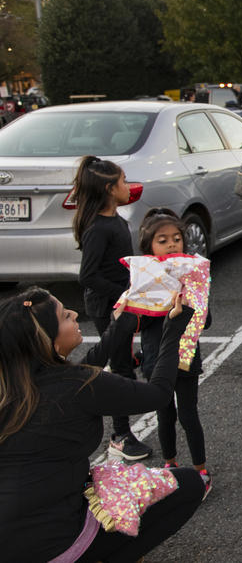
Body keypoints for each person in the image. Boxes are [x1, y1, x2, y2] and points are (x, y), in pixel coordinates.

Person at [0, 286, 202, 563]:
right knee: (189, 484)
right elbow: (158, 394)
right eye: (64, 316)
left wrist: (118, 329)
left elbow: (74, 378)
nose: (73, 314)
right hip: (52, 541)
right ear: (47, 341)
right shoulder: (77, 386)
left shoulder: (12, 387)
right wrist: (173, 329)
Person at [71, 155, 151, 461]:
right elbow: (88, 276)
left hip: (121, 302)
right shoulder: (98, 228)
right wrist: (122, 295)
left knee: (124, 362)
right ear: (108, 188)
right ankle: (120, 436)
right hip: (108, 306)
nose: (127, 186)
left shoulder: (116, 219)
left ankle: (129, 360)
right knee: (119, 370)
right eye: (122, 182)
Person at [132, 209, 213, 495]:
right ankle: (169, 465)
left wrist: (192, 303)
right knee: (164, 414)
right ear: (148, 247)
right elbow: (138, 319)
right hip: (156, 358)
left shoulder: (193, 275)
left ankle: (200, 470)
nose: (171, 245)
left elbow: (207, 319)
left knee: (188, 414)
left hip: (187, 357)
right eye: (162, 240)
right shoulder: (144, 278)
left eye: (176, 239)